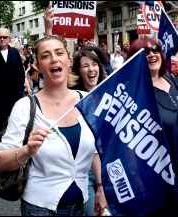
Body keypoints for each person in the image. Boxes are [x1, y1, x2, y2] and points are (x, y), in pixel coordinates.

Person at [0, 34, 107, 216]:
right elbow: (1, 162)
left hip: (81, 206)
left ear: (69, 61)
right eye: (46, 56)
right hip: (39, 209)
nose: (54, 59)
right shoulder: (25, 106)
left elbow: (96, 150)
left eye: (59, 53)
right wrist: (27, 150)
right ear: (38, 66)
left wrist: (101, 188)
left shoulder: (88, 102)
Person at [126, 37, 178, 216]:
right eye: (144, 52)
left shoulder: (170, 80)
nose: (152, 54)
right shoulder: (134, 92)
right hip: (161, 174)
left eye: (155, 49)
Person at [71, 49, 108, 216]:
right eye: (85, 66)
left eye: (94, 64)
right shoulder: (72, 100)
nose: (91, 69)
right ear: (78, 71)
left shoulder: (108, 94)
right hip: (84, 173)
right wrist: (100, 186)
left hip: (109, 171)